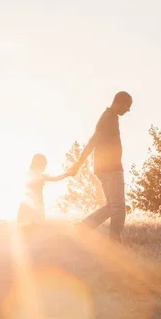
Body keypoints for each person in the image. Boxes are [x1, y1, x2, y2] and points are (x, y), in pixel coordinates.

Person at [69, 91, 132, 242]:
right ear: (119, 102)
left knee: (112, 206)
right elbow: (93, 141)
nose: (128, 110)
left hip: (105, 168)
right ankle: (114, 242)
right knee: (119, 208)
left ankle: (83, 227)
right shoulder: (108, 118)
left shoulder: (110, 117)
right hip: (111, 169)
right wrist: (78, 164)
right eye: (127, 105)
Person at [17, 153, 71, 229]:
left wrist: (67, 174)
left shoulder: (38, 176)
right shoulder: (36, 176)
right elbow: (56, 178)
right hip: (32, 204)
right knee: (31, 226)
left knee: (35, 226)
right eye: (44, 165)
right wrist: (67, 174)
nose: (45, 167)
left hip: (34, 204)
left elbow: (56, 178)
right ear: (39, 164)